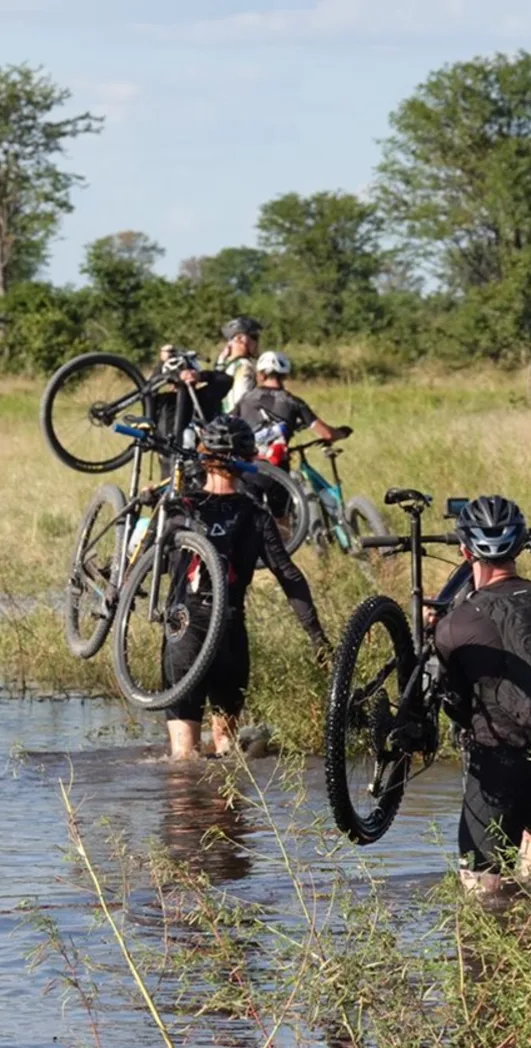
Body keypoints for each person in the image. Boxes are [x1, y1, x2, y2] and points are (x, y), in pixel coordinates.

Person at [433, 495, 531, 897]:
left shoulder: (455, 626)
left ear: (465, 551)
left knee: (481, 888)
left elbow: (456, 703)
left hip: (500, 760)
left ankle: (491, 952)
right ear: (519, 546)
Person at [162, 415, 330, 761]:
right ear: (248, 458)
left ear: (203, 454)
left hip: (185, 631)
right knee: (227, 755)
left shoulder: (180, 509)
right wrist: (318, 637)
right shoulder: (256, 515)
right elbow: (290, 577)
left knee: (183, 762)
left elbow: (150, 566)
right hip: (230, 632)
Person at [233, 351, 344, 466]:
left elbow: (226, 424)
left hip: (247, 469)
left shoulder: (245, 399)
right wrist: (341, 433)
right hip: (279, 472)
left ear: (261, 375)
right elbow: (328, 434)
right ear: (285, 375)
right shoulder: (294, 402)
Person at [216, 315, 263, 413]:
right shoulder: (244, 366)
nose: (257, 342)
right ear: (240, 339)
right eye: (254, 337)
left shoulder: (224, 365)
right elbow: (242, 400)